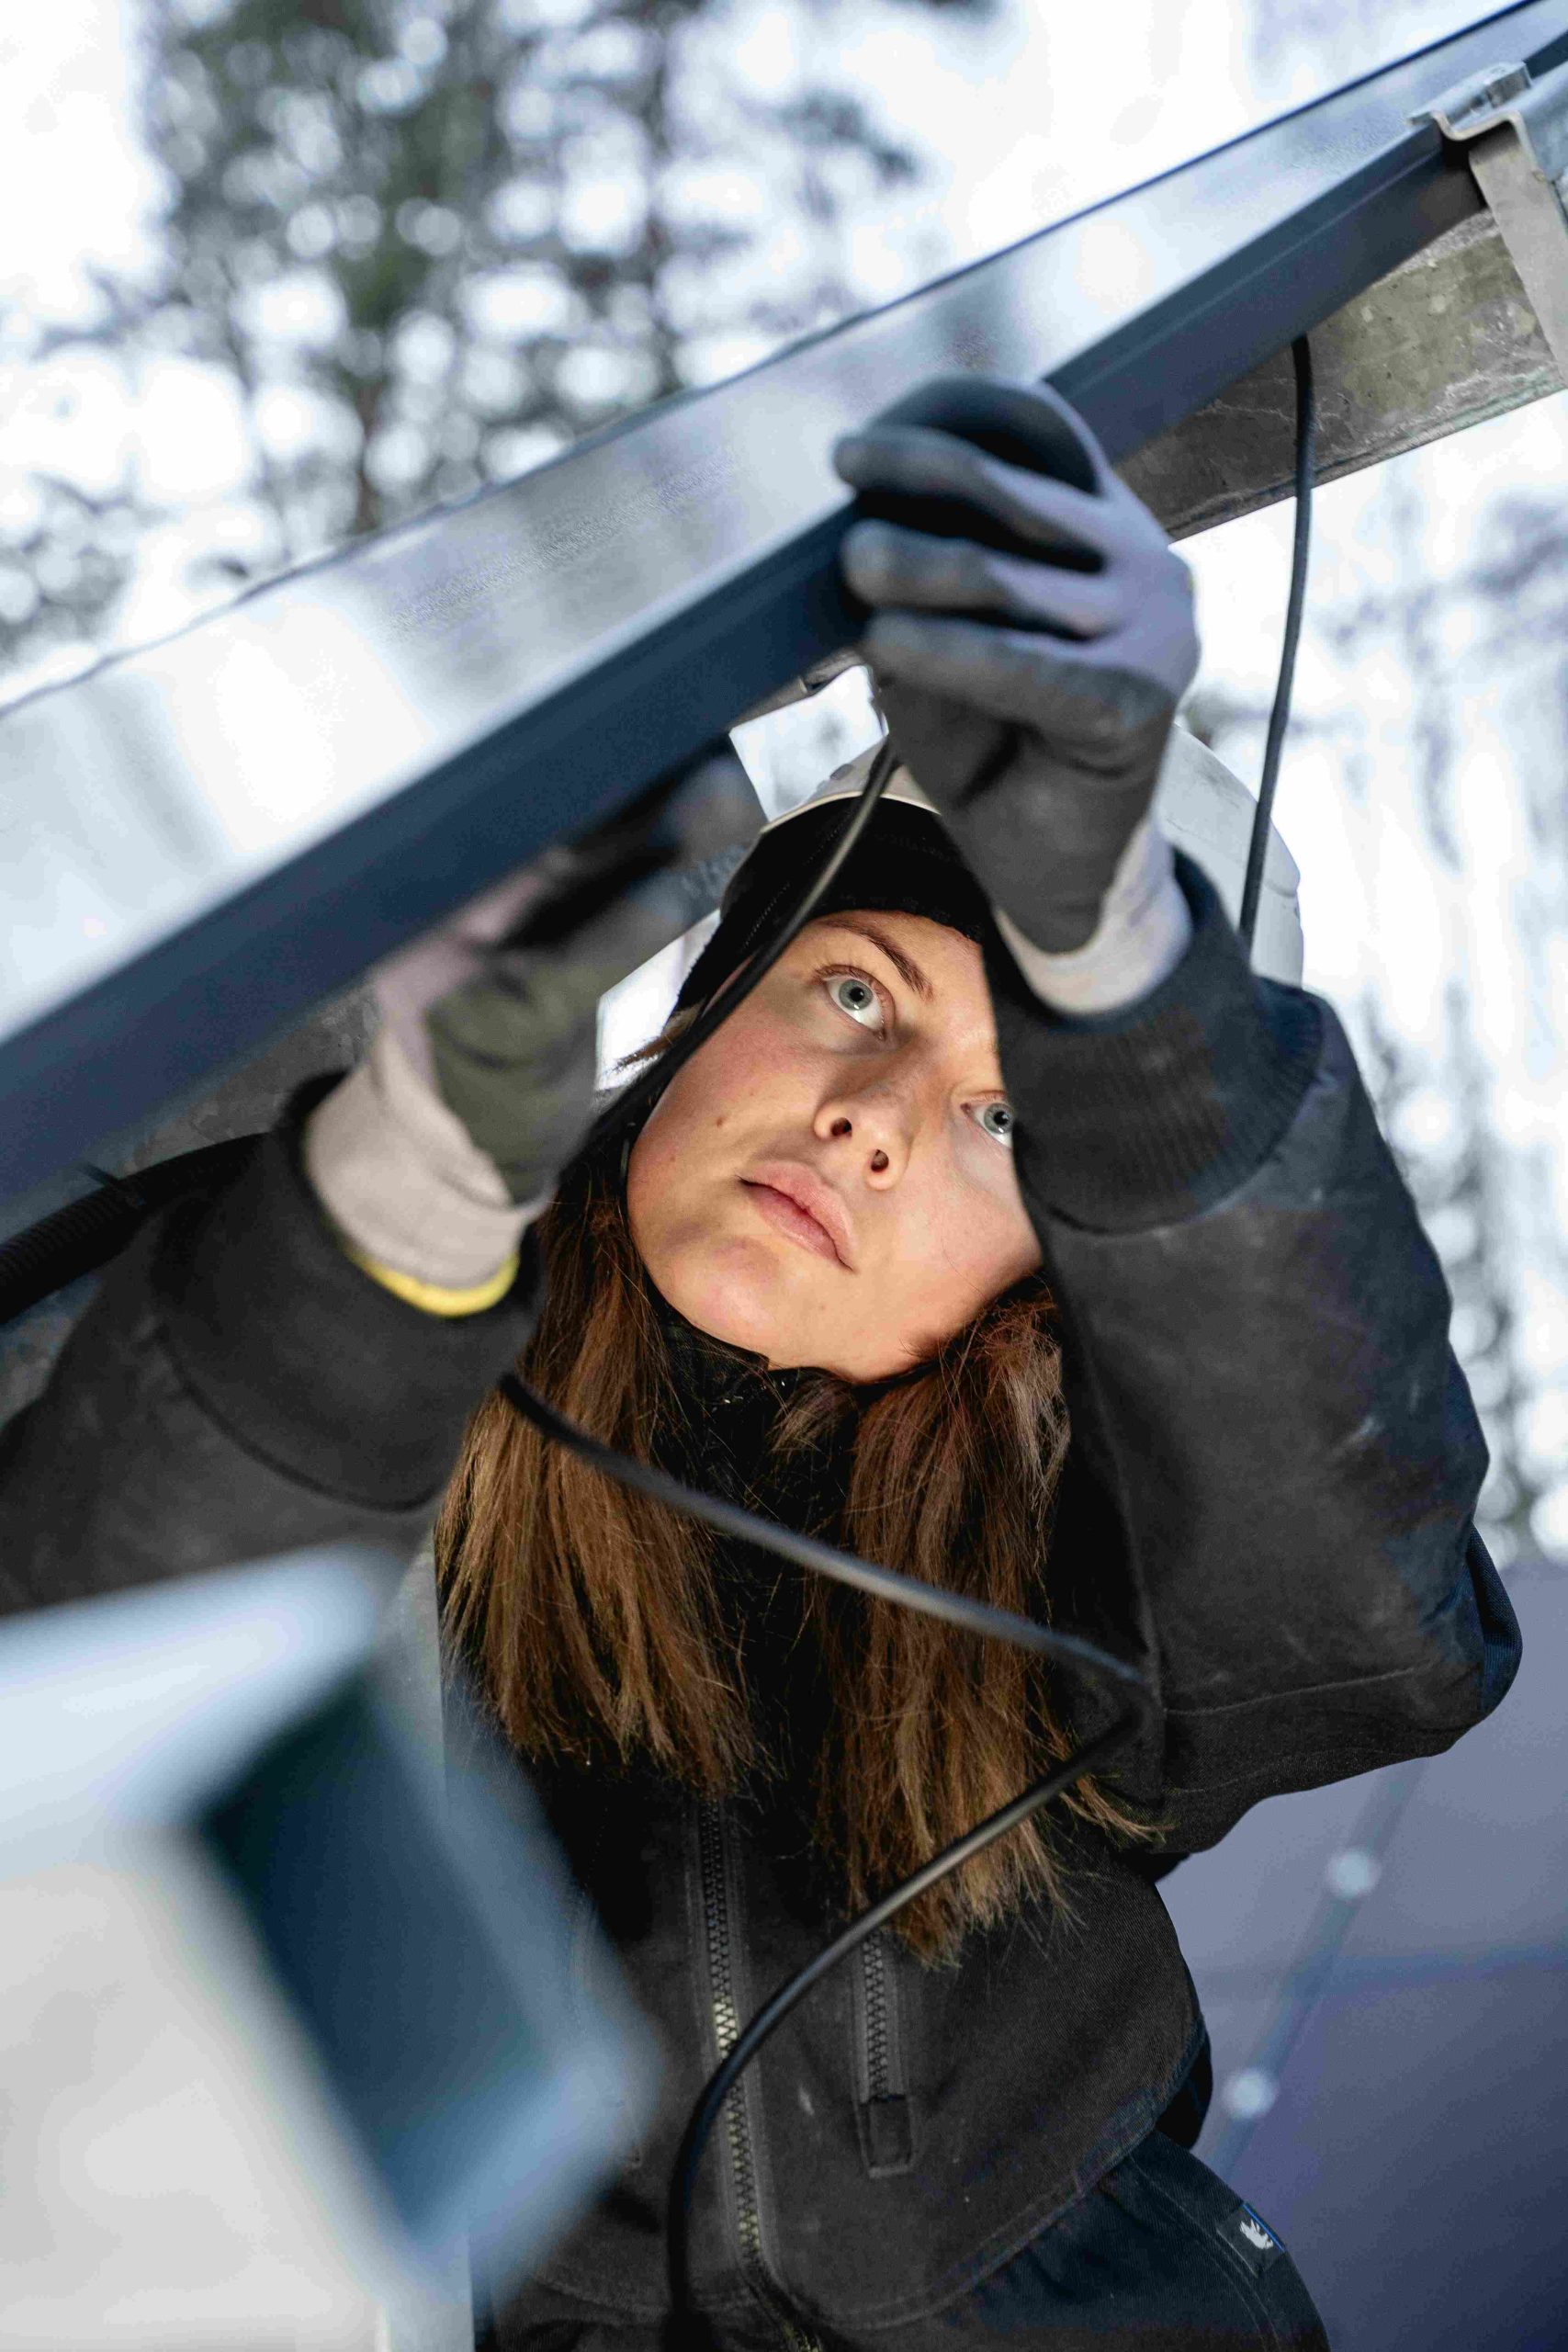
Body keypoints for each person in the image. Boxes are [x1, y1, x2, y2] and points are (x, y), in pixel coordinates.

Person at [0, 379, 1519, 2352]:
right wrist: (395, 1203)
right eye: (853, 989)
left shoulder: (1078, 1581)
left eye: (1003, 1118)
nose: (875, 1115)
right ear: (708, 1006)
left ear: (1058, 1281)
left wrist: (1139, 1000)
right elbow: (76, 1600)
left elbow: (1365, 1614)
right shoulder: (334, 1301)